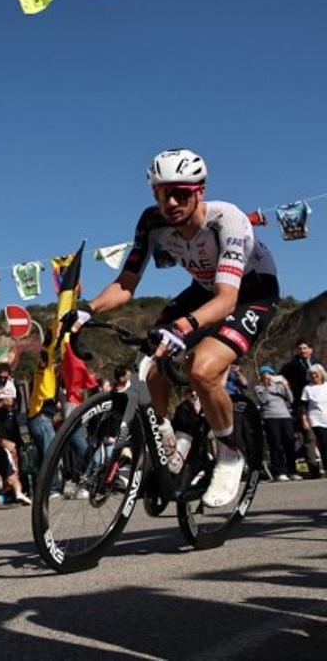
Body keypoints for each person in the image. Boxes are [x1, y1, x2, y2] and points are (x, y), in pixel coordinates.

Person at [71, 149, 280, 508]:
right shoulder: (152, 222)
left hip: (250, 292)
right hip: (203, 290)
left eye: (180, 193)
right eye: (161, 193)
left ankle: (230, 453)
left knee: (203, 368)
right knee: (149, 358)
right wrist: (87, 309)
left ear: (200, 191)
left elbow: (227, 299)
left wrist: (183, 326)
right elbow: (126, 283)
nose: (170, 202)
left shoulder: (226, 220)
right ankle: (166, 438)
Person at [280, 340, 322, 477]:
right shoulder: (291, 366)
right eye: (300, 348)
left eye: (305, 348)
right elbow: (281, 378)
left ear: (311, 350)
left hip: (320, 404)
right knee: (309, 437)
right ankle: (313, 469)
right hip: (302, 404)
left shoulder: (318, 364)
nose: (303, 350)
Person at [254, 365, 297, 481]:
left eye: (270, 374)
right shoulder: (259, 388)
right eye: (265, 374)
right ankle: (279, 472)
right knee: (276, 444)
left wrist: (286, 386)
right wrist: (267, 386)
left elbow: (291, 399)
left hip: (285, 416)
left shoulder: (280, 387)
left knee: (289, 443)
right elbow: (263, 400)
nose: (268, 376)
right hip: (270, 417)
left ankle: (292, 471)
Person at [303, 365, 327, 459]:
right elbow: (303, 406)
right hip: (316, 420)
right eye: (311, 375)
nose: (314, 376)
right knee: (324, 442)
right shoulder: (308, 388)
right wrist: (304, 419)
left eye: (316, 374)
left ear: (321, 374)